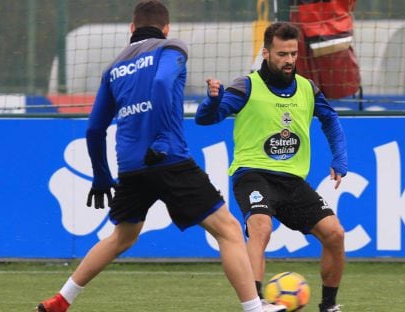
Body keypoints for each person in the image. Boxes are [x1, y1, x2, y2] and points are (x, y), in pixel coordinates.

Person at [36, 2, 285, 312]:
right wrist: (163, 137)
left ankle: (62, 300)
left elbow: (94, 129)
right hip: (169, 160)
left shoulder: (113, 68)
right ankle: (253, 308)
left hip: (130, 167)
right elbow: (161, 82)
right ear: (166, 28)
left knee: (122, 237)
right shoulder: (172, 48)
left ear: (131, 28)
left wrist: (101, 176)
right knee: (229, 230)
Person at [195, 22, 348, 312]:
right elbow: (207, 119)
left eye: (293, 53)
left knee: (335, 234)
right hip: (252, 175)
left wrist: (339, 158)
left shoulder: (307, 88)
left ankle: (328, 305)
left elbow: (330, 119)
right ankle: (255, 303)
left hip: (291, 181)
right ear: (266, 53)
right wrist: (212, 102)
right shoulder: (247, 86)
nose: (289, 60)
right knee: (261, 227)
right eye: (282, 54)